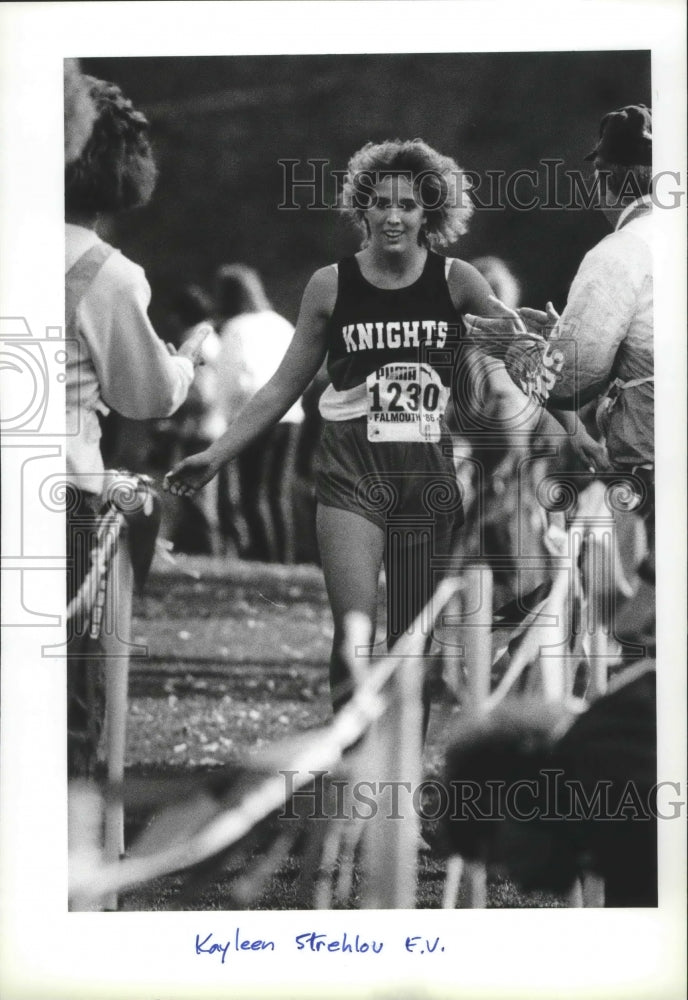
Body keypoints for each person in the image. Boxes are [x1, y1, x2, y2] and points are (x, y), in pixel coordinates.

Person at [166, 139, 497, 722]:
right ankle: (353, 765)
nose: (394, 216)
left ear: (430, 213)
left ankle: (403, 781)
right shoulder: (330, 285)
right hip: (351, 472)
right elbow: (279, 387)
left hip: (425, 477)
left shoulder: (458, 282)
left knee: (409, 639)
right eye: (381, 203)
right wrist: (215, 455)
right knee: (353, 634)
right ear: (362, 209)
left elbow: (523, 349)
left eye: (409, 205)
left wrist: (547, 358)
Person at [65, 75, 207, 776]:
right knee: (72, 694)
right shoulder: (105, 272)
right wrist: (184, 362)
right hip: (63, 495)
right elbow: (146, 397)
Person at [466, 104, 654, 537]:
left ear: (603, 178)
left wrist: (516, 347)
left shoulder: (620, 250)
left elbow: (567, 383)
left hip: (652, 473)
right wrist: (565, 336)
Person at [214, 264, 304, 563]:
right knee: (277, 494)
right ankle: (284, 559)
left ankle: (265, 558)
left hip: (254, 415)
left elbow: (233, 379)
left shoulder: (235, 328)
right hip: (290, 415)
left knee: (253, 494)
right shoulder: (280, 323)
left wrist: (226, 418)